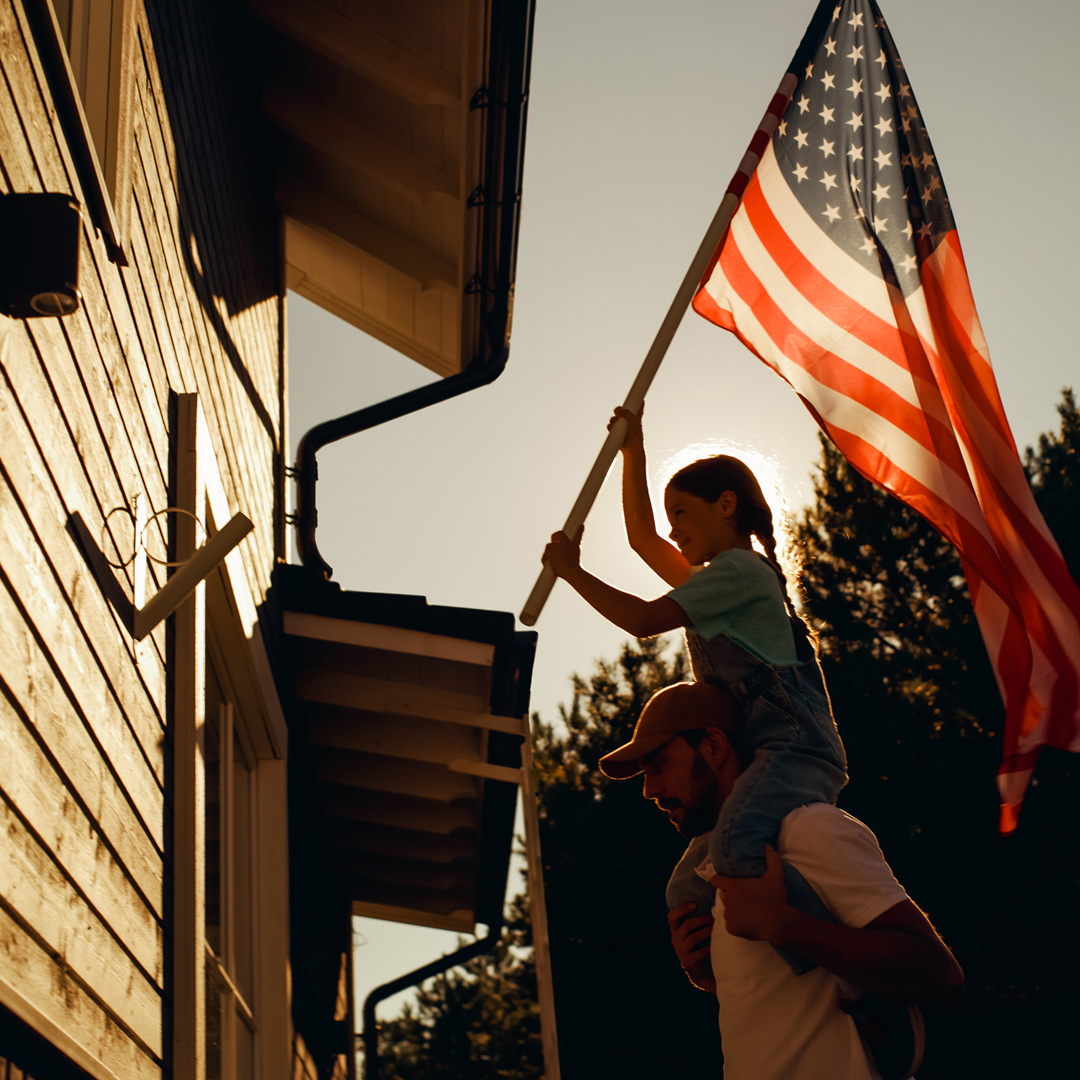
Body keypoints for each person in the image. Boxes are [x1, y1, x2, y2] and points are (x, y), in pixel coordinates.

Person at [542, 404, 847, 971]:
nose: (674, 529)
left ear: (725, 505)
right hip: (764, 756)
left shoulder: (738, 573)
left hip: (795, 749)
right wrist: (633, 451)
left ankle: (836, 964)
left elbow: (640, 620)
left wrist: (571, 571)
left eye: (682, 512)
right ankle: (721, 973)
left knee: (731, 847)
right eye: (670, 516)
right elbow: (641, 539)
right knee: (685, 887)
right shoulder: (721, 582)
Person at [599, 682, 964, 1080]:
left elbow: (939, 975)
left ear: (714, 746)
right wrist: (712, 980)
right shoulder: (721, 871)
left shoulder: (809, 828)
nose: (650, 790)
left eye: (659, 765)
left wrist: (785, 926)